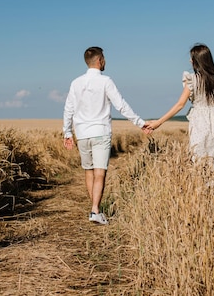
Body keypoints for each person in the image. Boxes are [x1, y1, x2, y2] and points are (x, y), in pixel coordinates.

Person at [63, 46, 150, 225]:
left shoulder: (76, 83)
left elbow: (68, 109)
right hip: (101, 132)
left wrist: (67, 132)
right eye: (104, 59)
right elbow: (121, 105)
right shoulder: (106, 81)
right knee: (100, 173)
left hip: (83, 134)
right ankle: (95, 210)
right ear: (99, 60)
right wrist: (140, 123)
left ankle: (95, 208)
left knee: (89, 171)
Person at [147, 43, 214, 187]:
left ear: (197, 61)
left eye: (192, 58)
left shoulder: (192, 79)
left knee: (199, 161)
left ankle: (201, 197)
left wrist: (158, 122)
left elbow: (180, 105)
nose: (190, 61)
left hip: (200, 121)